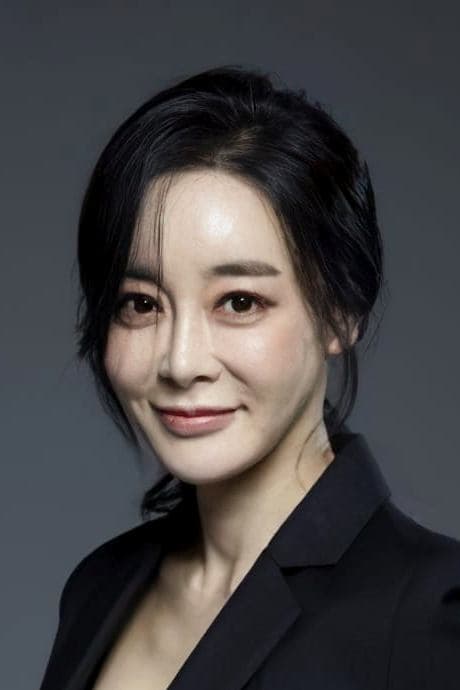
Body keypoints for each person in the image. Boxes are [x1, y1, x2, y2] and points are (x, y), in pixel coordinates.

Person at [39, 65, 460, 690]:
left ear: (340, 313)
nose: (181, 362)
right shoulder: (98, 588)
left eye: (239, 302)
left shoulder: (430, 615)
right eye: (142, 303)